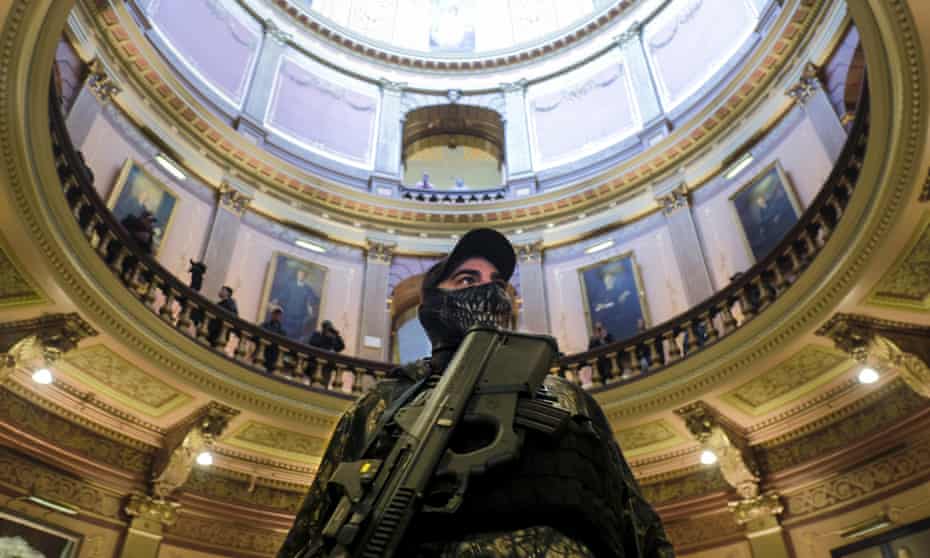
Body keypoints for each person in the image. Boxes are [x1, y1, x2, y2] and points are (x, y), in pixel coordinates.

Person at [277, 228, 674, 558]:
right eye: (467, 280)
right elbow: (310, 533)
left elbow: (638, 525)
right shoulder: (379, 406)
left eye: (497, 283)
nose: (488, 290)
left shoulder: (568, 399)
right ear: (434, 303)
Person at [260, 306, 286, 372]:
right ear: (272, 314)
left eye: (278, 314)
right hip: (262, 354)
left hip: (273, 359)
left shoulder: (282, 332)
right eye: (275, 313)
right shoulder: (264, 325)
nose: (277, 316)